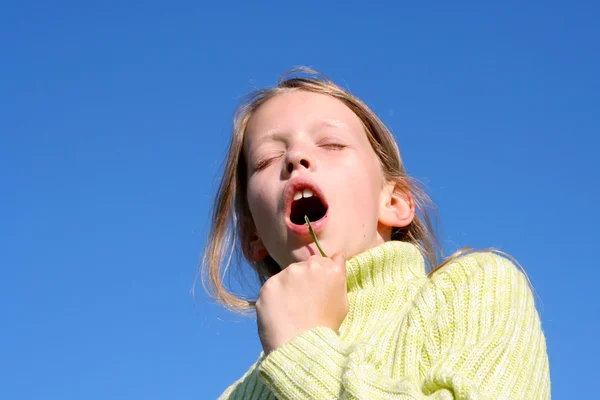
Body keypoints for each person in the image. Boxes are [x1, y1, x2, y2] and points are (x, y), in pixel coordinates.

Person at [202, 67, 550, 399]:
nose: (295, 157)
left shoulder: (476, 287)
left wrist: (303, 351)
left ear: (394, 201)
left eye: (332, 144)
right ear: (253, 238)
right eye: (266, 159)